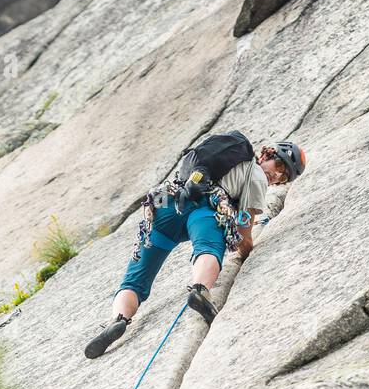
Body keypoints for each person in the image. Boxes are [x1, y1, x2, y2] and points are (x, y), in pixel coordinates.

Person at [83, 137, 306, 359]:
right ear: (266, 155)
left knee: (135, 279)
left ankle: (119, 319)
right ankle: (200, 291)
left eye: (283, 177)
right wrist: (246, 250)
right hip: (205, 208)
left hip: (167, 206)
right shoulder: (256, 175)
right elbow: (243, 235)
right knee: (209, 247)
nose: (276, 176)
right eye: (279, 166)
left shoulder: (223, 160)